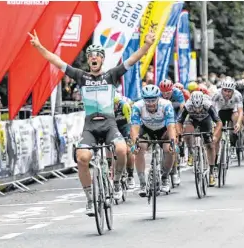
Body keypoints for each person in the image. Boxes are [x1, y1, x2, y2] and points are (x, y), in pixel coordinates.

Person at [29, 29, 155, 215]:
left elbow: (134, 59)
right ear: (88, 61)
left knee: (121, 150)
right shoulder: (81, 76)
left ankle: (118, 181)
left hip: (110, 124)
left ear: (102, 59)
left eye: (97, 56)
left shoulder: (111, 75)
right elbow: (56, 61)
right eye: (90, 56)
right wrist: (39, 47)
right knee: (82, 158)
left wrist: (147, 45)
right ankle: (90, 199)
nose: (93, 58)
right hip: (90, 126)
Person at [130, 85, 178, 194]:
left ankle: (165, 178)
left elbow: (171, 126)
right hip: (147, 130)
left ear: (158, 98)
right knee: (139, 148)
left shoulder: (166, 105)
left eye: (153, 100)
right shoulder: (137, 106)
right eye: (147, 100)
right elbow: (134, 128)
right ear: (143, 99)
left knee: (169, 149)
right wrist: (134, 144)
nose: (150, 103)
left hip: (163, 130)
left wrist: (173, 143)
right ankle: (142, 183)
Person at [176, 91, 222, 187]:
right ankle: (191, 153)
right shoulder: (188, 105)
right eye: (194, 108)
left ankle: (211, 172)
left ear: (202, 103)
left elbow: (219, 123)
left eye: (199, 107)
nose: (197, 110)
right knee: (187, 132)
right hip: (193, 119)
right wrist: (180, 133)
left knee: (210, 145)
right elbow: (179, 122)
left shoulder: (208, 105)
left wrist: (214, 135)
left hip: (206, 120)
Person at [212, 79, 244, 165]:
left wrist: (238, 123)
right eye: (225, 90)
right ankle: (215, 161)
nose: (227, 93)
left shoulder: (238, 95)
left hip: (232, 112)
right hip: (220, 112)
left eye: (229, 91)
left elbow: (241, 112)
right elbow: (212, 110)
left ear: (233, 91)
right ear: (221, 89)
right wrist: (214, 123)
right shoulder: (216, 94)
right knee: (216, 138)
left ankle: (233, 144)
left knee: (236, 116)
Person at [113, 94, 136, 191]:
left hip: (125, 125)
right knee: (113, 148)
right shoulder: (106, 109)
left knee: (128, 149)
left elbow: (130, 124)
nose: (113, 108)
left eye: (114, 105)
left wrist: (130, 139)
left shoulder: (124, 106)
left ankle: (130, 175)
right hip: (114, 127)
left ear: (118, 103)